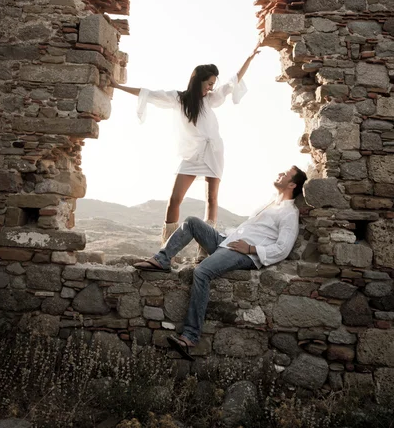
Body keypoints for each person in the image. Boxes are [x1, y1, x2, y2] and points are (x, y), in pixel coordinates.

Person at [134, 165, 307, 361]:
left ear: (292, 184)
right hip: (226, 242)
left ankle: (190, 337)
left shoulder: (289, 213)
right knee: (191, 222)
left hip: (244, 253)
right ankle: (162, 259)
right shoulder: (270, 203)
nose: (280, 173)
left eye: (285, 174)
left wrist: (250, 249)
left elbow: (283, 249)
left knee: (202, 272)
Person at [109, 44, 260, 255]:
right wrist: (117, 86)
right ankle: (167, 248)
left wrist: (249, 59)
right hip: (192, 154)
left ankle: (204, 250)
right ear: (198, 80)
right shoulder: (179, 99)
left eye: (213, 84)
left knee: (212, 199)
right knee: (174, 200)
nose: (211, 87)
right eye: (209, 83)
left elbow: (232, 81)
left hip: (214, 151)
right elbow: (148, 93)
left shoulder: (211, 99)